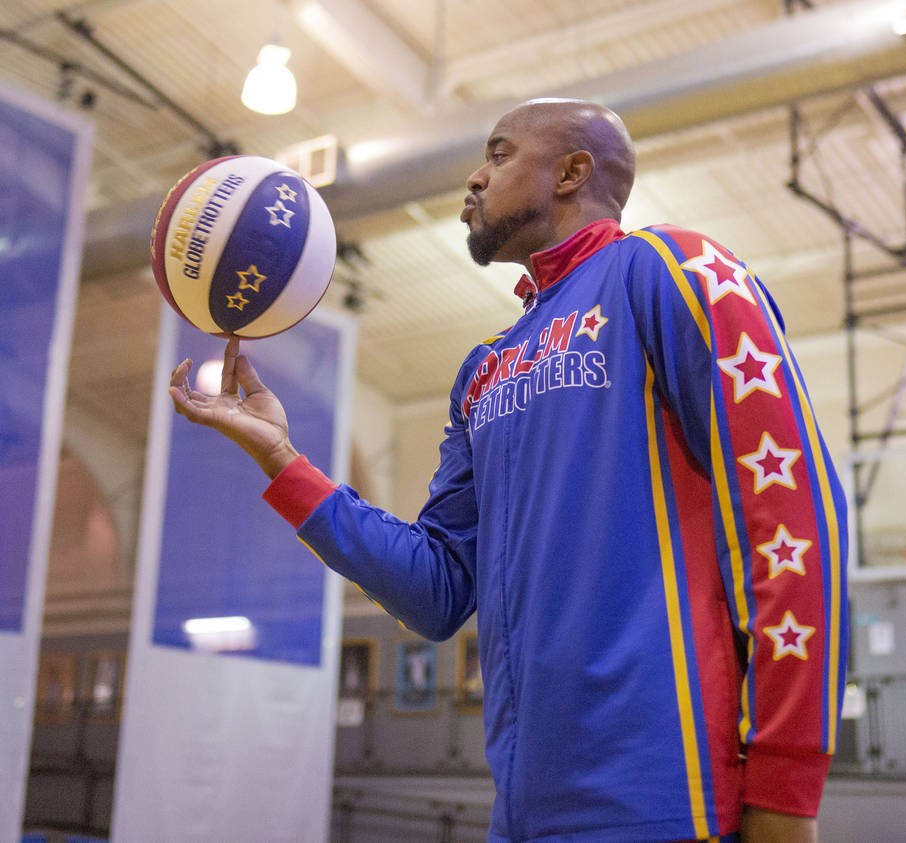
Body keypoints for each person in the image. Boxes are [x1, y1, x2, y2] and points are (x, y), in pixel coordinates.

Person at [170, 98, 848, 843]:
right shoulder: (485, 368)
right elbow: (435, 590)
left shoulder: (670, 269)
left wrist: (786, 784)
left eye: (497, 155)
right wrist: (281, 460)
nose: (474, 177)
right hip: (523, 814)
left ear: (571, 172)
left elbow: (790, 516)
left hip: (668, 803)